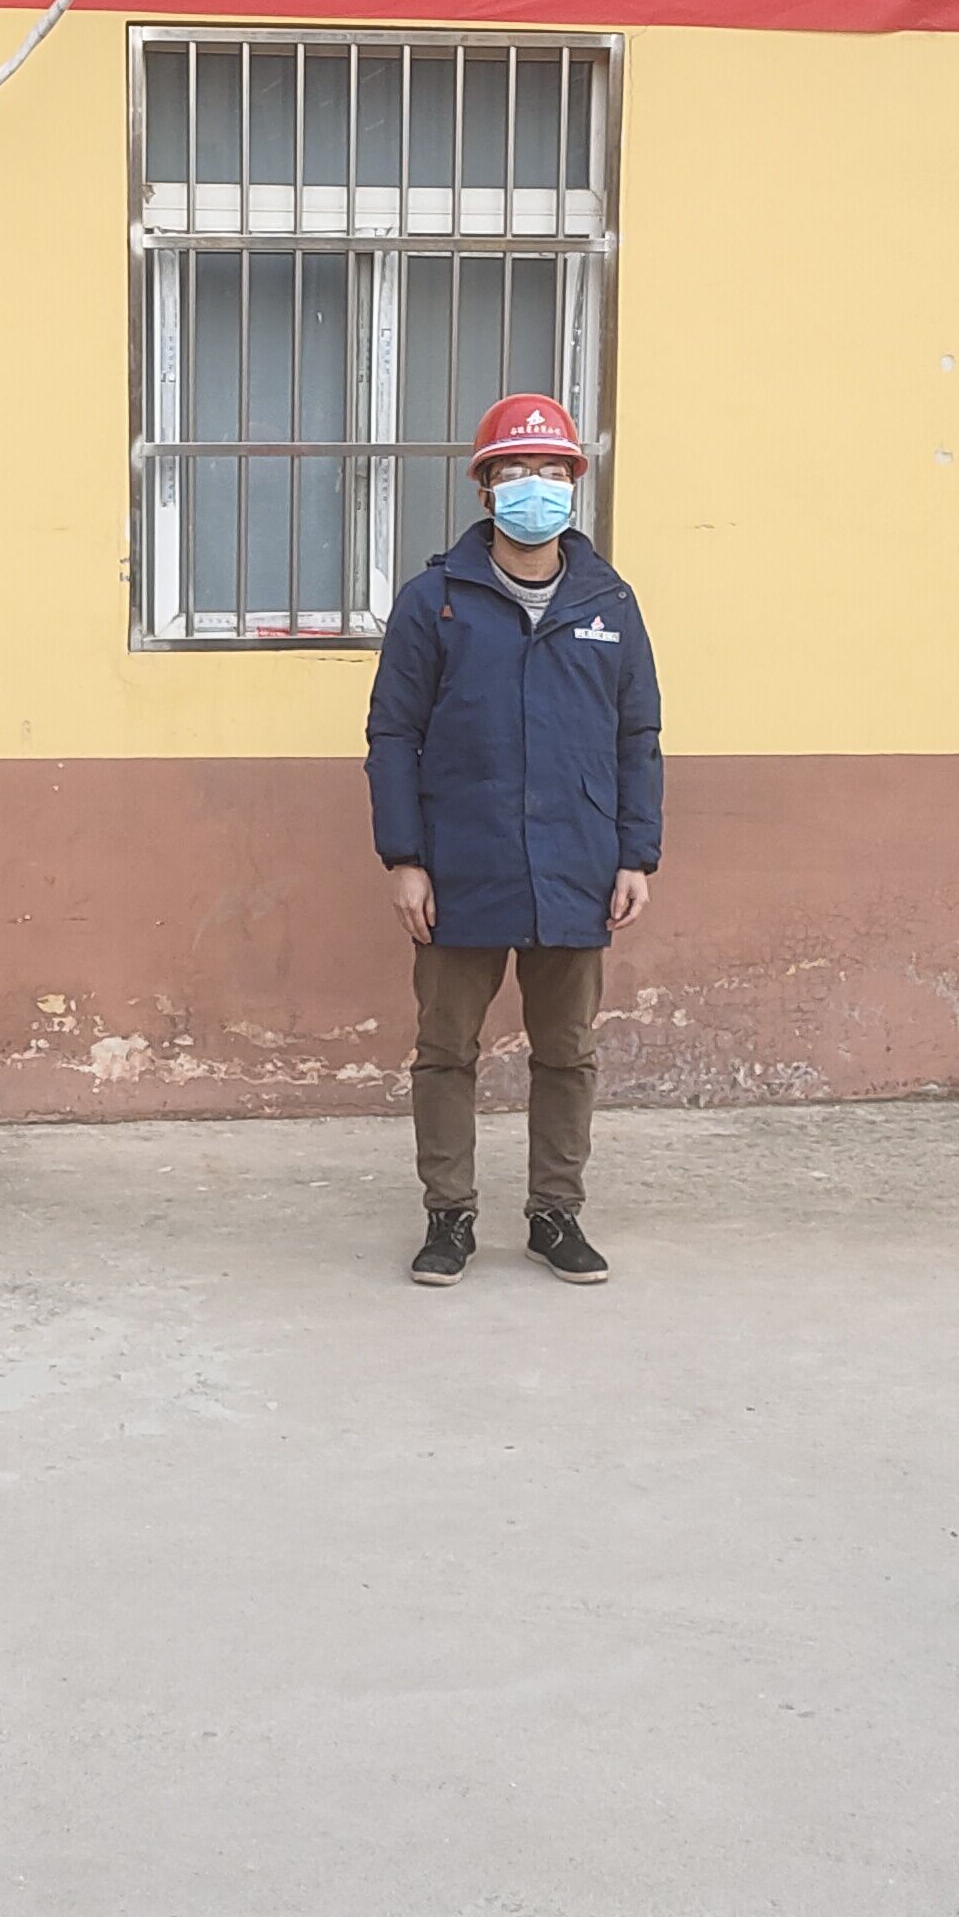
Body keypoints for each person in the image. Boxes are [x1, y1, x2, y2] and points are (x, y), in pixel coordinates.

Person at [365, 393, 662, 1287]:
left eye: (551, 470)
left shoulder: (610, 602)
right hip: (463, 863)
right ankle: (448, 1215)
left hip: (577, 864)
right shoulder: (434, 602)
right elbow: (393, 734)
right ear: (486, 488)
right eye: (516, 470)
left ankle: (555, 1214)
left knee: (567, 1053)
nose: (535, 485)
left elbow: (637, 736)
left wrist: (635, 853)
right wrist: (405, 858)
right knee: (445, 1050)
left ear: (574, 482)